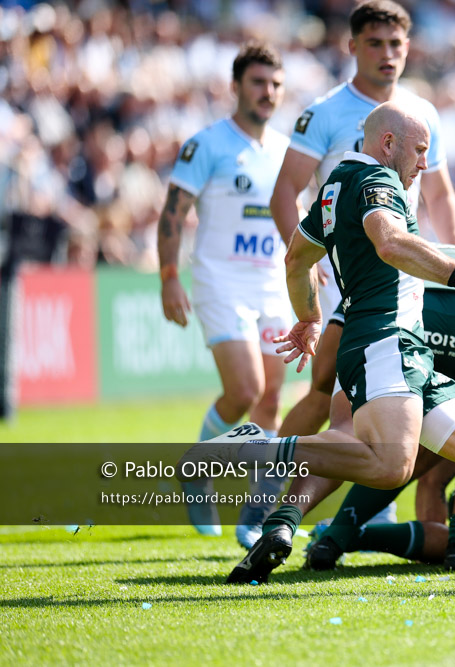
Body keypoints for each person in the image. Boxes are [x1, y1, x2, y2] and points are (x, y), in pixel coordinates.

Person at [183, 101, 455, 590]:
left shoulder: (335, 186)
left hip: (405, 350)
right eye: (419, 150)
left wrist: (309, 317)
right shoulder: (377, 182)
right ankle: (257, 448)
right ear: (387, 143)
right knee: (390, 464)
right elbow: (390, 243)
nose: (424, 162)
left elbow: (295, 260)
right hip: (385, 340)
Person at [271, 0, 455, 440]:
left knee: (346, 390)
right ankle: (274, 479)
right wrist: (308, 255)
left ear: (408, 46)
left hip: (401, 268)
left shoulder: (420, 113)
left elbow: (439, 193)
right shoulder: (324, 113)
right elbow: (286, 190)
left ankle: (279, 484)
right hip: (352, 267)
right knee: (338, 388)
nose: (387, 53)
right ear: (353, 46)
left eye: (395, 43)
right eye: (375, 43)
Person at [285, 244, 455, 573]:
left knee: (351, 430)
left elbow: (323, 377)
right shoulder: (402, 232)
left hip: (398, 318)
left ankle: (289, 516)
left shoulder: (358, 226)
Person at [157, 40, 290, 548]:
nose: (268, 93)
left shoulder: (283, 150)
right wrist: (169, 274)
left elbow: (289, 218)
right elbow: (173, 213)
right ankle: (198, 469)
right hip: (220, 282)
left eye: (276, 85)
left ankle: (255, 514)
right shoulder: (207, 144)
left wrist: (309, 260)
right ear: (235, 87)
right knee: (246, 390)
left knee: (273, 396)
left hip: (271, 283)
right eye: (258, 83)